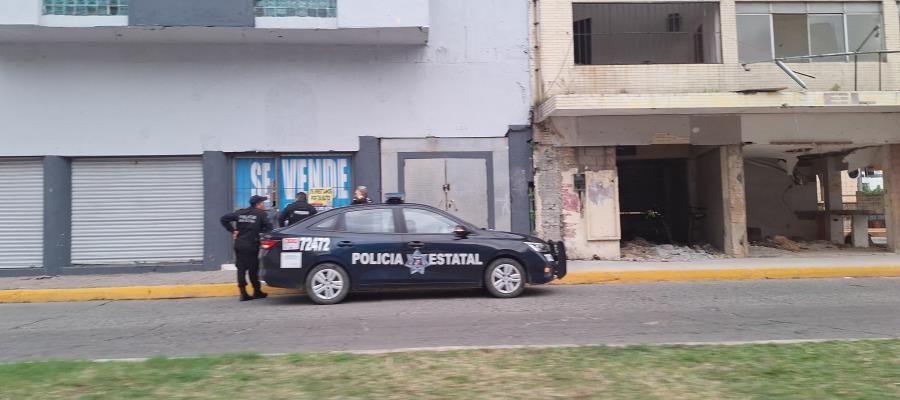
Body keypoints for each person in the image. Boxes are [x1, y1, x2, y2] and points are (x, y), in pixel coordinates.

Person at [220, 195, 273, 301]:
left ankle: (243, 293)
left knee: (241, 268)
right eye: (262, 202)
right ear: (258, 204)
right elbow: (269, 227)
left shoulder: (241, 212)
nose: (263, 204)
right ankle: (256, 291)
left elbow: (224, 219)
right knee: (253, 269)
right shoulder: (261, 214)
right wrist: (260, 231)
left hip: (239, 244)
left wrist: (232, 230)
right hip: (251, 245)